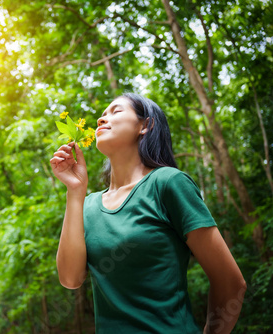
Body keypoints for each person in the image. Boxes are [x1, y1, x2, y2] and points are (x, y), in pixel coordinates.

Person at [49, 93, 246, 334]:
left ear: (145, 125)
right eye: (101, 115)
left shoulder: (168, 183)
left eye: (116, 111)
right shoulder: (87, 205)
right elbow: (70, 279)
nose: (101, 119)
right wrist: (75, 191)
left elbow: (230, 282)